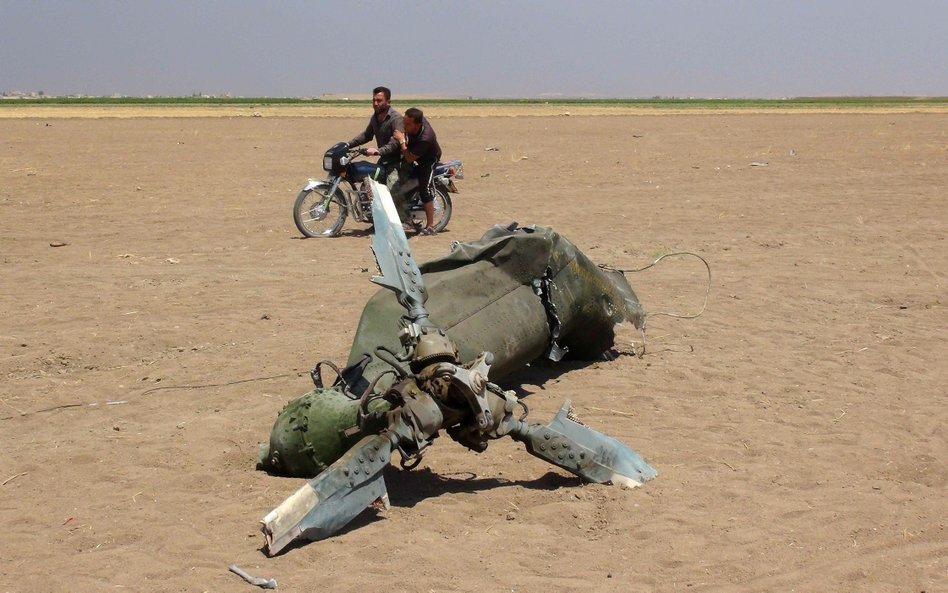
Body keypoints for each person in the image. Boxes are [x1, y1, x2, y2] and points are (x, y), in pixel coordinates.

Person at [392, 108, 442, 235]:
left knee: (424, 189)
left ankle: (430, 226)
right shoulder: (417, 120)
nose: (404, 125)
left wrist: (402, 141)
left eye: (408, 124)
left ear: (418, 125)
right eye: (404, 122)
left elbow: (409, 158)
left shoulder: (426, 137)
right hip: (414, 152)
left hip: (428, 160)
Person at [346, 86, 403, 176]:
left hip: (397, 163)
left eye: (379, 101)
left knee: (392, 184)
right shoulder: (375, 117)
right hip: (384, 160)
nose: (375, 103)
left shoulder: (396, 118)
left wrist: (377, 151)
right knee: (367, 180)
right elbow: (367, 135)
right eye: (374, 100)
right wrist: (347, 145)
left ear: (388, 102)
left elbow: (394, 144)